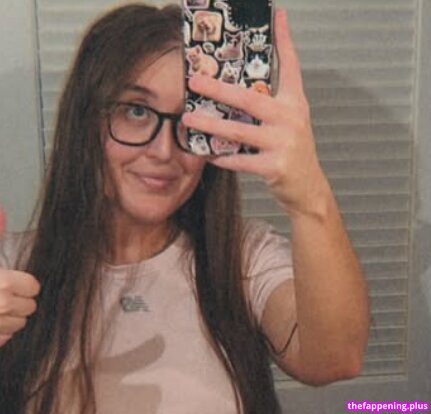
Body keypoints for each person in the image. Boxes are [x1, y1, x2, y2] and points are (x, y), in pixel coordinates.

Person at [0, 3, 369, 414]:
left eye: (191, 123)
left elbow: (335, 358)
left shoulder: (241, 260)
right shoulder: (13, 269)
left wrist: (309, 197)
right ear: (86, 121)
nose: (164, 151)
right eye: (136, 111)